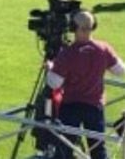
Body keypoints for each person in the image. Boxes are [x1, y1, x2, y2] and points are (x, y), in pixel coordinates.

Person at [46, 11, 124, 159]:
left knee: (64, 148)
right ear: (93, 26)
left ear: (73, 28)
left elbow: (54, 83)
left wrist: (52, 67)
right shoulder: (103, 49)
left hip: (70, 106)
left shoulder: (67, 54)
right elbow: (120, 70)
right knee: (98, 149)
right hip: (95, 107)